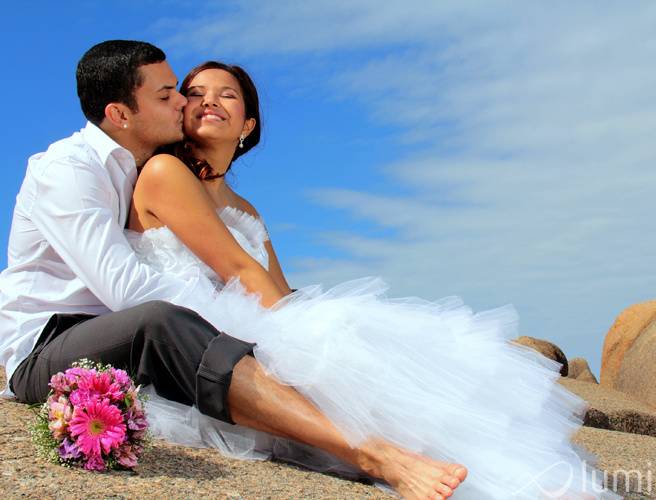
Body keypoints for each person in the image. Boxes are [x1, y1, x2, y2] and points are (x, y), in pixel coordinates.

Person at [123, 60, 621, 499]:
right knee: (338, 344)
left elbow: (275, 282)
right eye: (195, 93)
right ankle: (471, 472)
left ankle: (508, 476)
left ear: (248, 125)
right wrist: (300, 330)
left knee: (387, 357)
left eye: (226, 94)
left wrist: (303, 322)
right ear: (179, 112)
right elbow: (236, 269)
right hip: (198, 334)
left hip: (254, 314)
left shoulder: (246, 208)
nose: (208, 101)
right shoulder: (166, 170)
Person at [0, 41, 473, 500]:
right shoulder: (67, 170)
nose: (183, 103)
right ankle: (372, 453)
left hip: (116, 340)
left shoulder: (135, 168)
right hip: (49, 345)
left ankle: (413, 440)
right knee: (160, 319)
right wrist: (238, 320)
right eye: (167, 96)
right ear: (121, 115)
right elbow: (126, 289)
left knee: (327, 339)